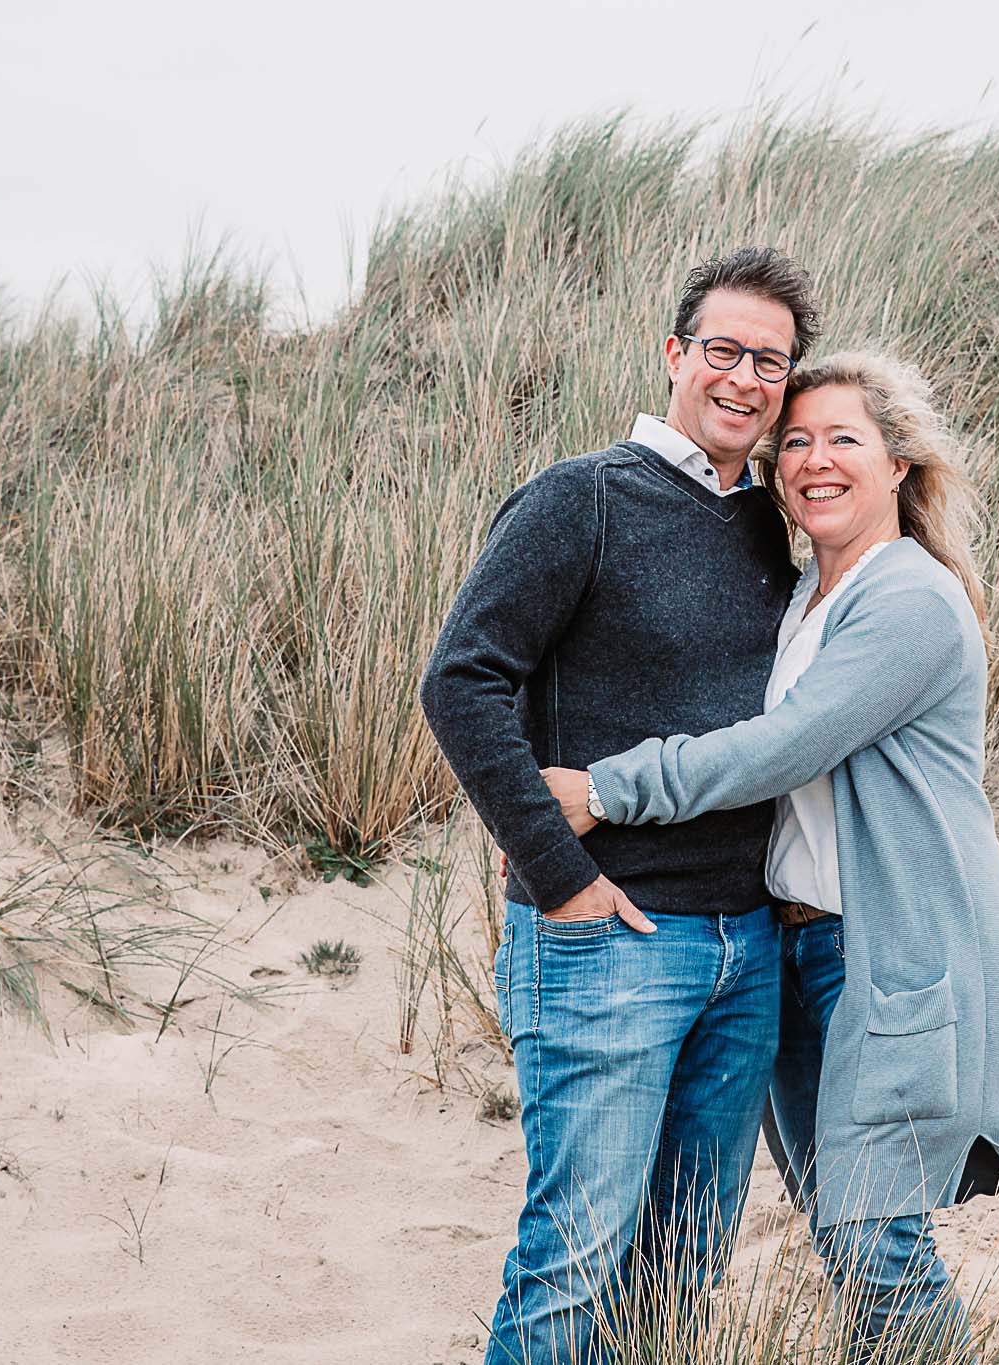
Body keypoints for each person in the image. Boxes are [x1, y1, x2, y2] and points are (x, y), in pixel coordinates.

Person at [548, 352, 999, 1361]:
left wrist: (608, 788)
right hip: (789, 956)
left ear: (901, 465)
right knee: (845, 1224)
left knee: (874, 1235)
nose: (812, 461)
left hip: (881, 957)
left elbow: (782, 747)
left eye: (843, 440)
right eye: (796, 442)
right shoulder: (804, 600)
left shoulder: (906, 600)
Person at [418, 247, 818, 1365]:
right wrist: (562, 877)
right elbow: (461, 679)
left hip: (745, 951)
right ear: (675, 354)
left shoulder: (769, 524)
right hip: (610, 943)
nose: (744, 379)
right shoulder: (582, 498)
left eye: (771, 364)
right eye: (724, 352)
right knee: (574, 1261)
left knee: (682, 1271)